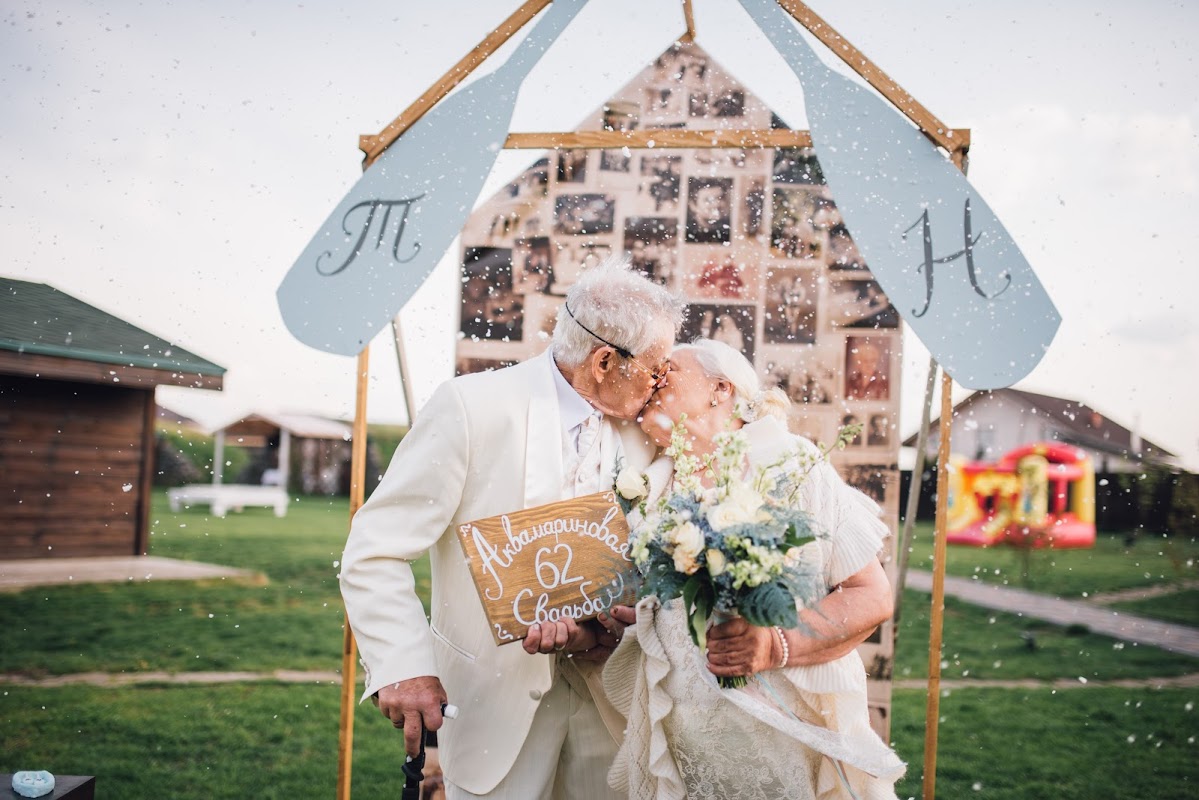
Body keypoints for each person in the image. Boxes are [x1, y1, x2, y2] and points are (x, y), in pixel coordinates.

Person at [339, 257, 685, 799]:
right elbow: (375, 549)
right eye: (655, 366)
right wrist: (402, 665)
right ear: (602, 362)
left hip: (611, 706)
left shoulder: (648, 438)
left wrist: (607, 628)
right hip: (491, 706)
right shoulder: (471, 409)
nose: (662, 382)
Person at [603, 338, 904, 800]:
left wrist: (774, 644)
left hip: (779, 741)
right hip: (684, 748)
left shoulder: (791, 464)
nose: (654, 381)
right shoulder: (651, 483)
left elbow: (870, 595)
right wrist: (643, 622)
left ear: (719, 389)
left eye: (669, 372)